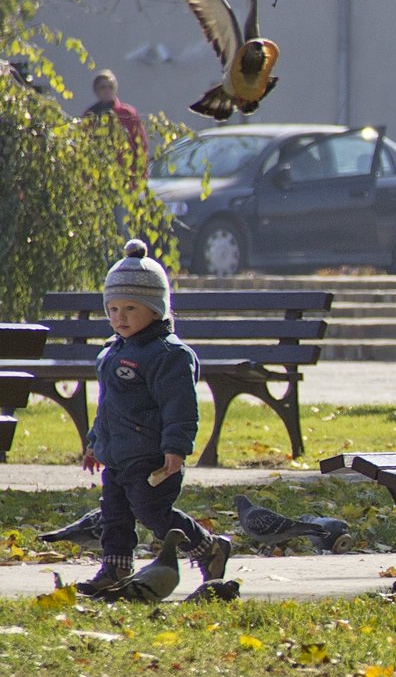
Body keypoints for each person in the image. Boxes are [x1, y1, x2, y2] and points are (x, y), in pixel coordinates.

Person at [77, 239, 231, 595]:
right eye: (113, 309)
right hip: (118, 456)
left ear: (156, 309)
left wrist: (175, 449)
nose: (120, 317)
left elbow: (180, 407)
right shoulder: (114, 352)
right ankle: (114, 569)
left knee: (152, 513)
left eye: (131, 308)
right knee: (114, 515)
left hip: (151, 456)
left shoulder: (168, 355)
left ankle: (208, 548)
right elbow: (109, 407)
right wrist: (94, 443)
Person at [84, 68, 149, 174]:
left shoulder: (127, 113)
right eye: (103, 87)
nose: (107, 90)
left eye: (110, 86)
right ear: (96, 90)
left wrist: (140, 171)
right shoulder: (90, 115)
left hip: (125, 172)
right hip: (98, 172)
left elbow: (141, 144)